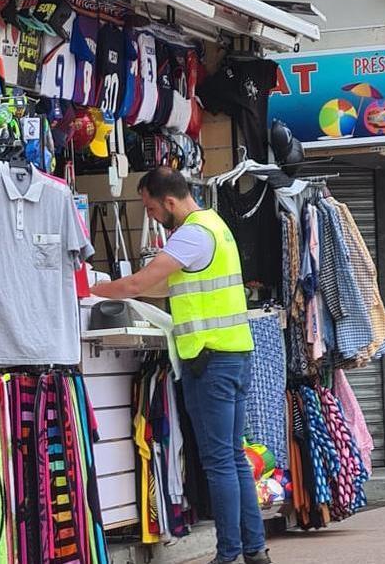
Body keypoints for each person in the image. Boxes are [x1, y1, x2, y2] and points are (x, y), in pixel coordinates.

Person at [90, 167, 270, 564]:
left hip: (210, 361)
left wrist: (85, 288)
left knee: (219, 461)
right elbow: (164, 285)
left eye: (151, 208)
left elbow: (139, 285)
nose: (151, 215)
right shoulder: (215, 225)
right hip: (234, 353)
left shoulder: (191, 234)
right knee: (234, 457)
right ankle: (254, 550)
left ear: (169, 201)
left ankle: (228, 555)